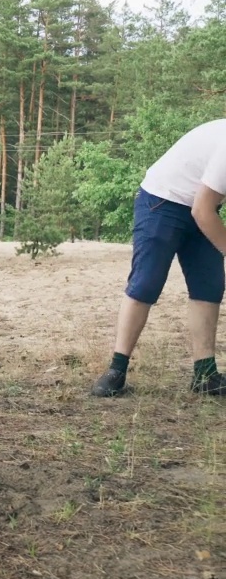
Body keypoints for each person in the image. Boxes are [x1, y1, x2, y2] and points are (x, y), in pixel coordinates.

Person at [91, 118, 226, 397]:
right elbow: (202, 210)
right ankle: (117, 369)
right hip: (162, 201)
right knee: (147, 282)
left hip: (202, 206)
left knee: (209, 284)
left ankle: (205, 375)